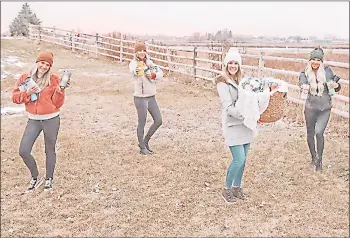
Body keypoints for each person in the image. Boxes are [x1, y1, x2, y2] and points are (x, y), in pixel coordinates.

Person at [12, 51, 69, 192]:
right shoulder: (25, 78)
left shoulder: (54, 79)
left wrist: (60, 91)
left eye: (47, 65)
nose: (44, 66)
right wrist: (27, 93)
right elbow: (15, 97)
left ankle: (49, 178)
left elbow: (57, 103)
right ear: (37, 62)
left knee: (49, 149)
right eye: (42, 63)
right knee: (23, 150)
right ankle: (35, 176)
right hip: (33, 120)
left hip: (51, 119)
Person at [216, 48, 258, 203]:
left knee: (244, 159)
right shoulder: (222, 82)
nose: (233, 66)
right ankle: (226, 189)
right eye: (230, 63)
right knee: (238, 159)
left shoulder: (243, 81)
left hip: (246, 125)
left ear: (239, 65)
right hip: (233, 124)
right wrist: (245, 115)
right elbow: (228, 106)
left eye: (236, 63)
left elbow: (251, 98)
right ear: (226, 65)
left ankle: (237, 188)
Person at [299, 47, 341, 171]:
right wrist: (303, 86)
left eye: (318, 60)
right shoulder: (304, 73)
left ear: (321, 61)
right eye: (313, 59)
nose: (315, 62)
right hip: (310, 107)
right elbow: (301, 83)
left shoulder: (328, 71)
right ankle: (313, 157)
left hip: (325, 108)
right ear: (309, 61)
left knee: (319, 132)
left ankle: (320, 161)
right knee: (310, 133)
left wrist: (336, 85)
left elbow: (336, 87)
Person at [129, 42, 164, 155]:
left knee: (158, 120)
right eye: (139, 51)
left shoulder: (150, 62)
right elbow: (134, 70)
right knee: (142, 122)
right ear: (136, 52)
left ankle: (145, 141)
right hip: (140, 98)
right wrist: (139, 70)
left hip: (151, 96)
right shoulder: (134, 63)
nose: (142, 53)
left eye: (144, 51)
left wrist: (153, 75)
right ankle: (142, 148)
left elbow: (160, 73)